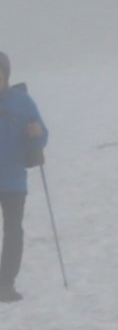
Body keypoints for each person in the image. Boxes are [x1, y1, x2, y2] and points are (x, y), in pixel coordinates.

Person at [0, 53, 49, 304]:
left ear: (6, 75)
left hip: (13, 181)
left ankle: (5, 283)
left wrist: (36, 134)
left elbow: (41, 137)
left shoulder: (22, 101)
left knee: (13, 232)